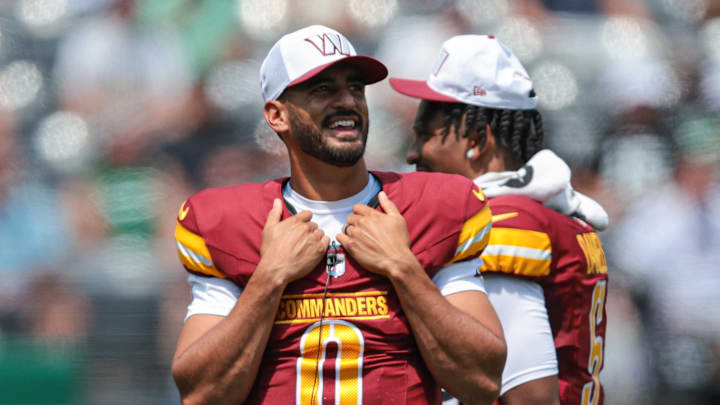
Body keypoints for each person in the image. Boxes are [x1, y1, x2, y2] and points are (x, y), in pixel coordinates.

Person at [170, 25, 506, 405]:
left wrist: (403, 267)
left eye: (355, 88)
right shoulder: (228, 221)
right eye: (323, 90)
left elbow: (482, 381)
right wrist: (268, 278)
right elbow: (200, 395)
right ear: (277, 115)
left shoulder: (434, 207)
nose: (347, 101)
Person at [390, 35, 610, 405]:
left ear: (476, 140)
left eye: (426, 136)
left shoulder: (505, 224)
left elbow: (529, 396)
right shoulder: (549, 212)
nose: (412, 155)